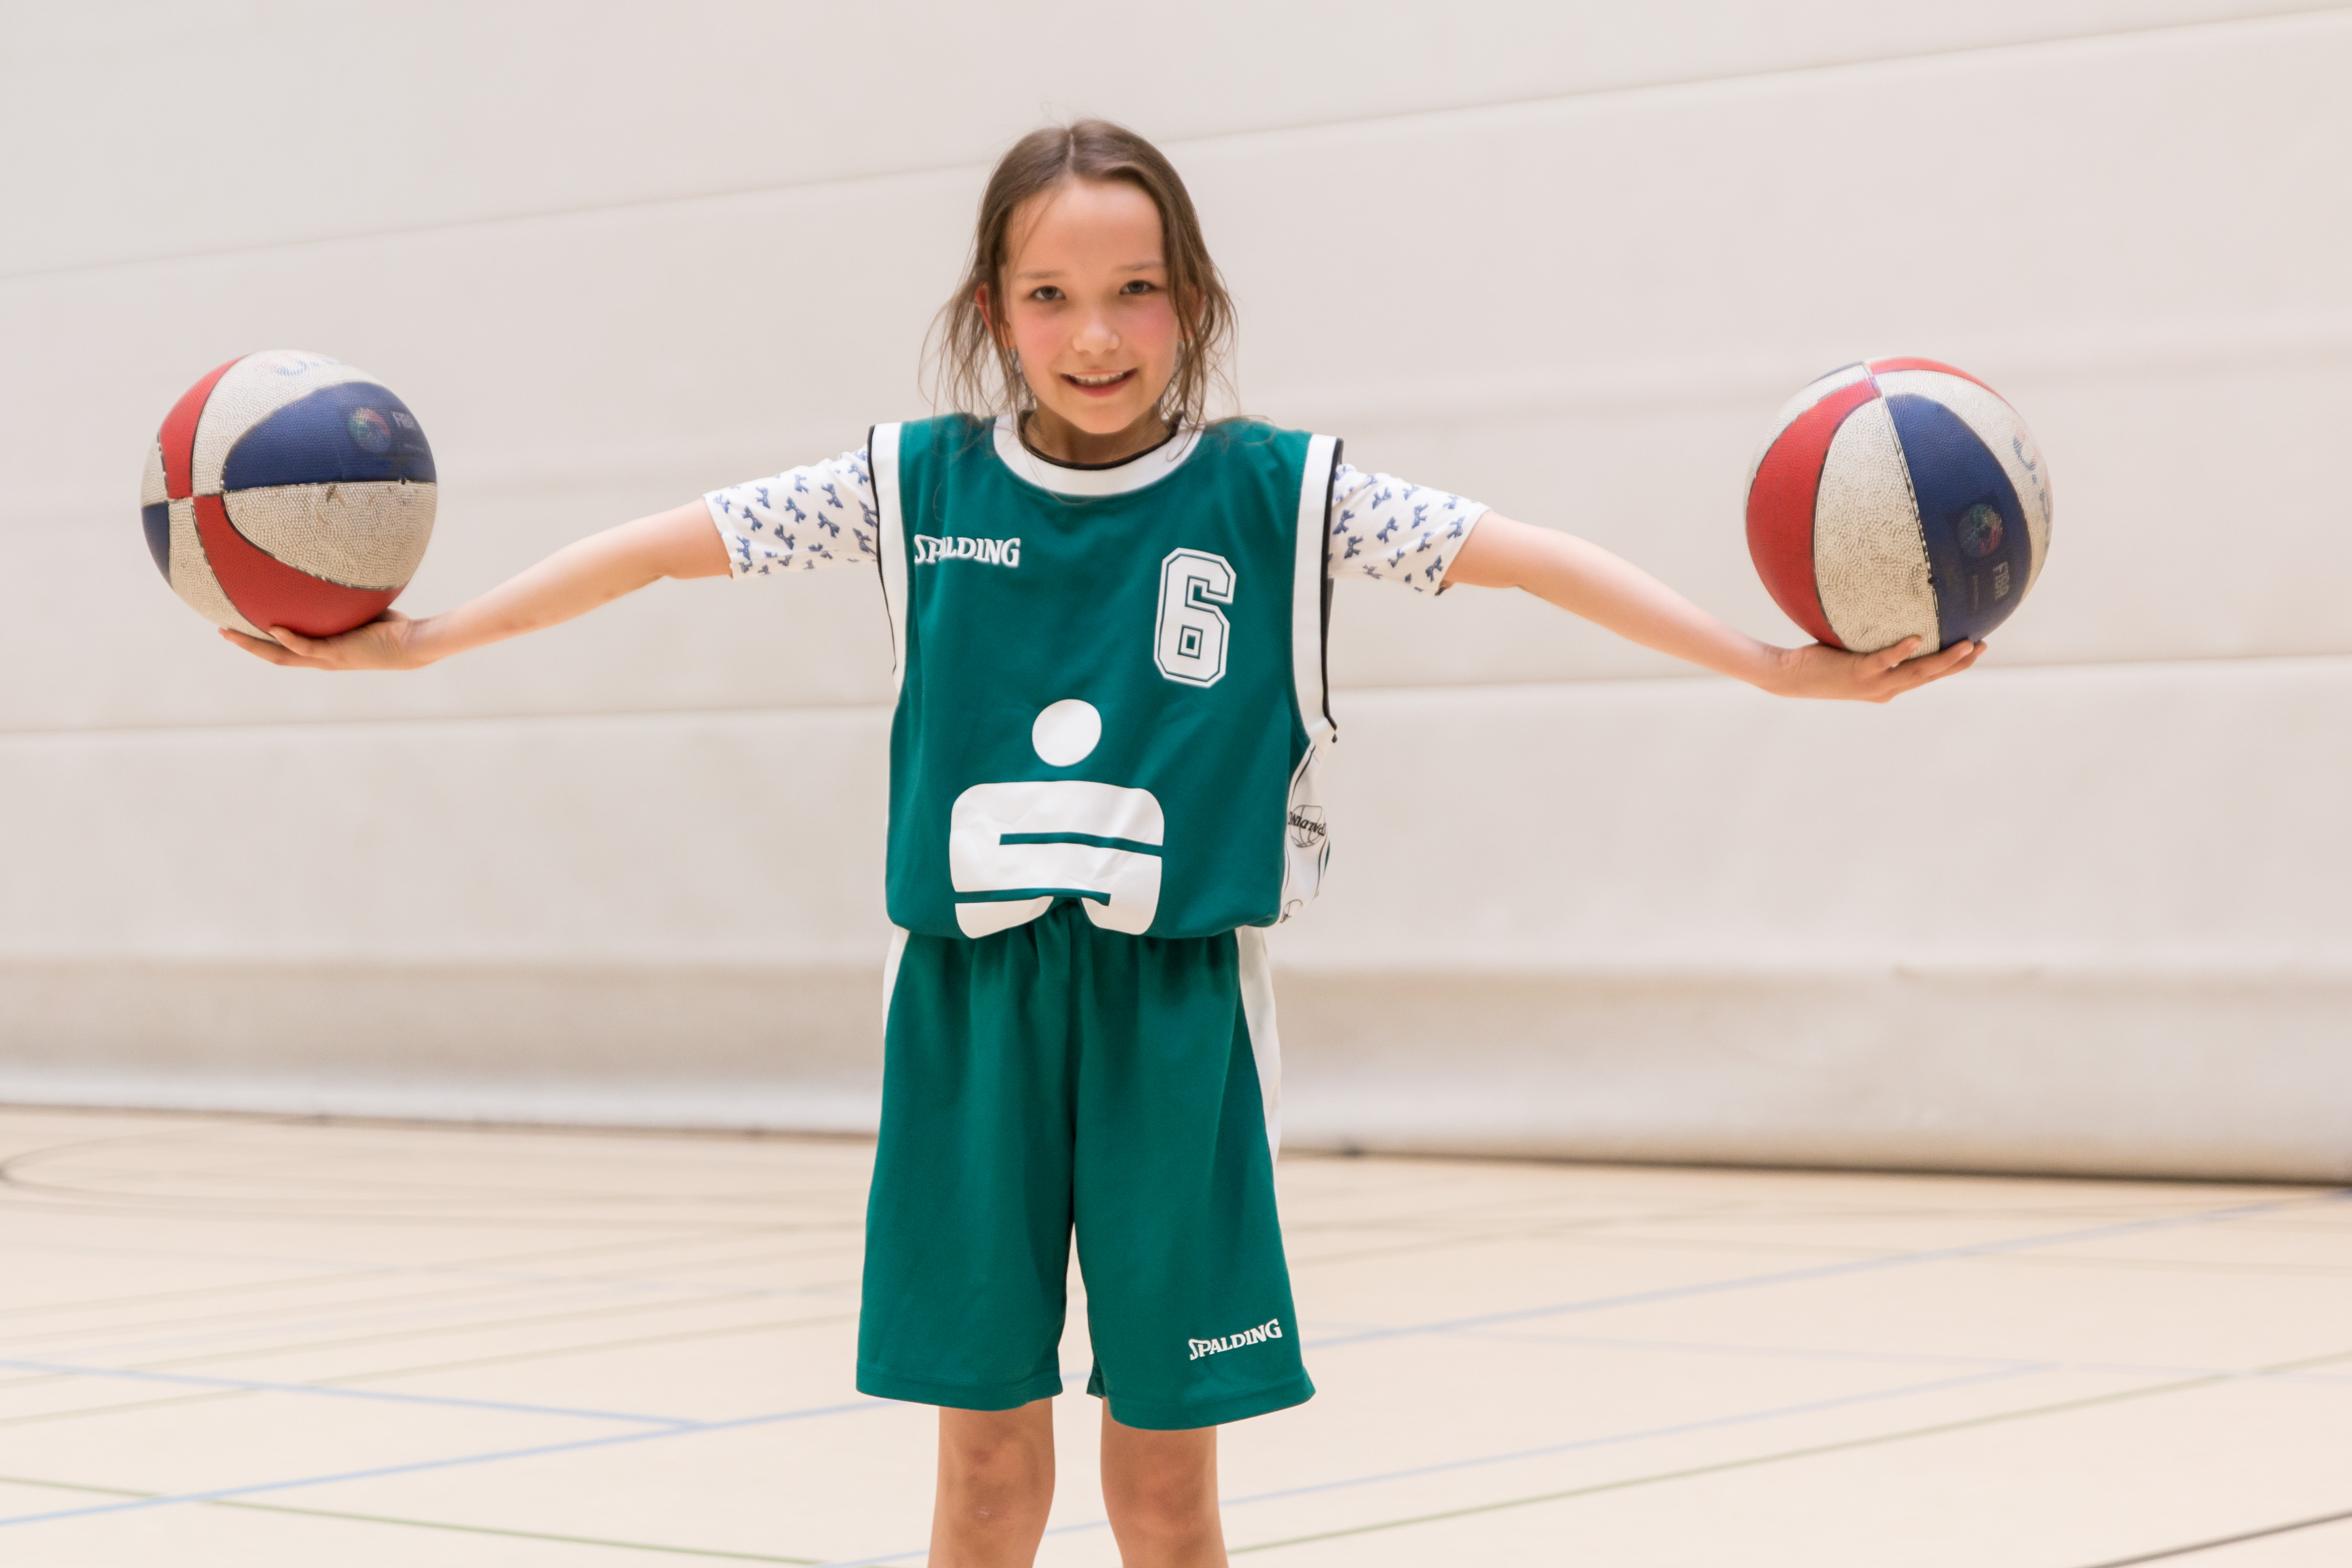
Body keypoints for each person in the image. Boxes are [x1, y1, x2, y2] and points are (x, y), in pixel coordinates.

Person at [228, 120, 1979, 1568]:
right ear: (993, 310)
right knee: (986, 1479)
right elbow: (659, 548)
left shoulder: (1283, 492)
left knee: (1166, 1491)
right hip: (971, 1010)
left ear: (1191, 300)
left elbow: (1525, 557)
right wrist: (428, 642)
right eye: (1051, 295)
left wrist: (1768, 667)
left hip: (1177, 1019)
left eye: (1135, 291)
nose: (1095, 334)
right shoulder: (910, 485)